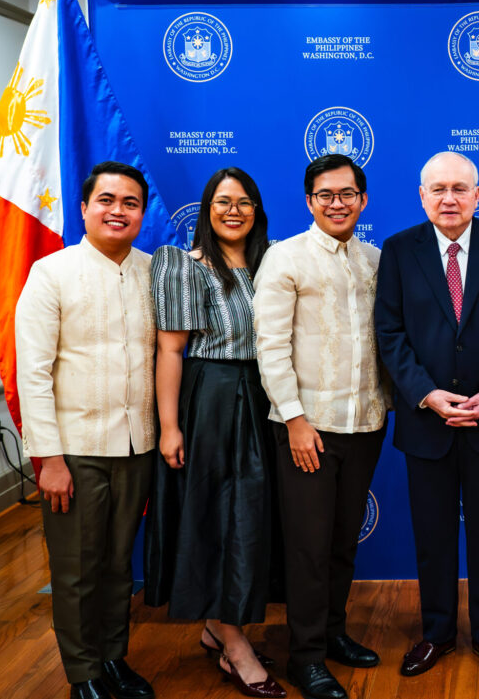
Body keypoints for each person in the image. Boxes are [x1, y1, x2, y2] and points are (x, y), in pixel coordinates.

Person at [374, 152, 479, 680]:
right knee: (433, 536)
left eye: (460, 189)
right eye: (438, 189)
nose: (449, 198)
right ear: (421, 196)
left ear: (478, 194)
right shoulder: (397, 252)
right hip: (427, 422)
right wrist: (426, 394)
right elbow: (390, 335)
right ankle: (437, 633)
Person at [16, 161, 157, 699]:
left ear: (142, 213)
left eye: (129, 203)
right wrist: (48, 459)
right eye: (106, 200)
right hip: (74, 452)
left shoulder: (152, 271)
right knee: (76, 571)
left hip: (136, 445)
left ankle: (114, 657)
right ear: (83, 208)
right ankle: (84, 674)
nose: (117, 211)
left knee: (120, 565)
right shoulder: (51, 273)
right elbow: (32, 371)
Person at [145, 167, 284, 698]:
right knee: (220, 517)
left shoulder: (272, 264)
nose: (234, 210)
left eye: (244, 201)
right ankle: (235, 644)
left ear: (257, 210)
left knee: (251, 519)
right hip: (213, 399)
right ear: (207, 209)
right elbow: (171, 350)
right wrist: (171, 426)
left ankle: (218, 624)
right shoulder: (185, 266)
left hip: (263, 396)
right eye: (223, 201)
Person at [253, 154, 389, 699]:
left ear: (363, 199)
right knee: (307, 548)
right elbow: (270, 348)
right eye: (326, 195)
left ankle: (332, 633)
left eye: (348, 194)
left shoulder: (375, 259)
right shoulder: (285, 258)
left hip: (366, 422)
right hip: (307, 428)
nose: (338, 203)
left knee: (340, 542)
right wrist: (295, 419)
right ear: (310, 201)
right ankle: (305, 656)